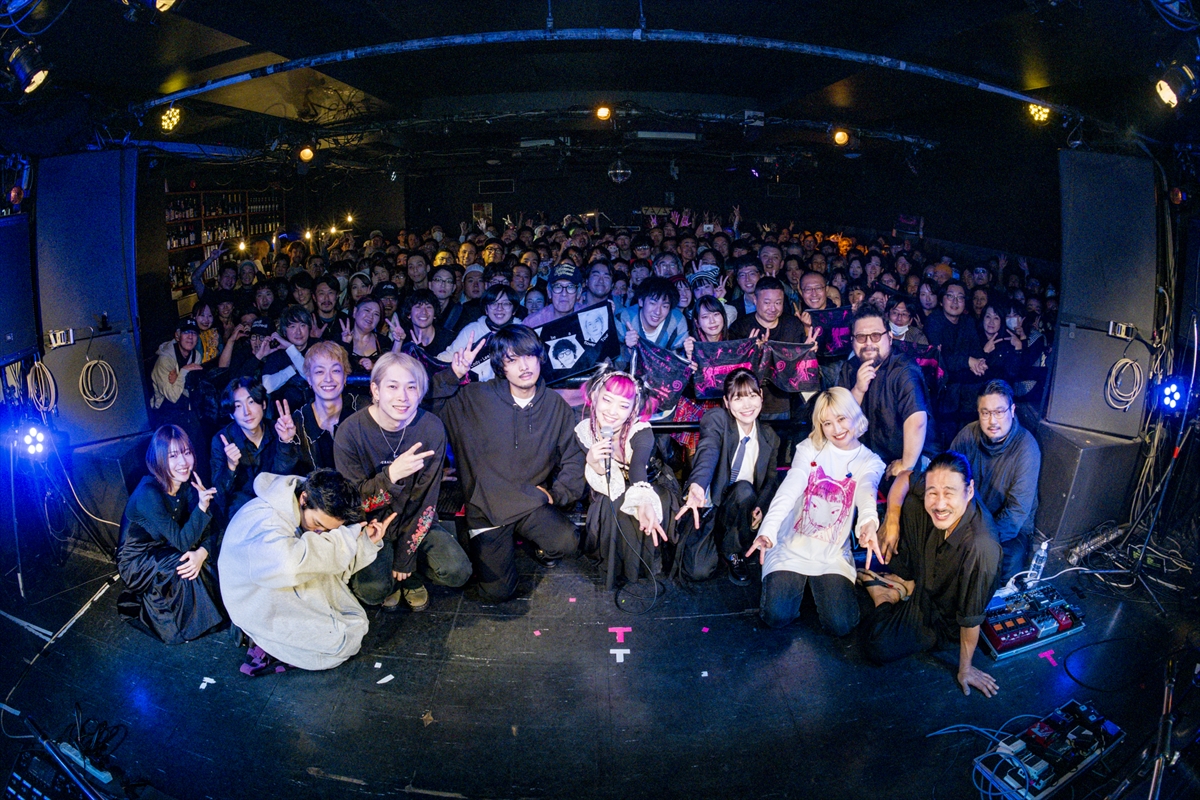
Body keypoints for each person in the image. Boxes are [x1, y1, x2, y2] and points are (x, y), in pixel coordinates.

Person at [428, 325, 585, 601]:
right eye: (512, 359)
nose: (524, 366)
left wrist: (557, 494)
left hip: (528, 500)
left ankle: (532, 543)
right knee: (497, 593)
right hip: (487, 507)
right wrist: (452, 376)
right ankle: (480, 542)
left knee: (567, 540)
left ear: (540, 358)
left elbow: (574, 458)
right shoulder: (475, 397)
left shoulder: (554, 406)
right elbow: (429, 405)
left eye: (529, 356)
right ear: (501, 365)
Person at [334, 352, 471, 612]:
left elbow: (426, 499)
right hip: (371, 526)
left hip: (414, 517)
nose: (403, 397)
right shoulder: (351, 431)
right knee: (373, 592)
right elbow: (356, 501)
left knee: (457, 572)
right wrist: (391, 476)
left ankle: (411, 575)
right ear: (375, 389)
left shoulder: (430, 427)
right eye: (393, 386)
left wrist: (406, 558)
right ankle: (392, 579)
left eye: (412, 387)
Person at [860, 452, 1002, 698]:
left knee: (877, 646)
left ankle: (884, 595)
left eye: (949, 493)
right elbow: (904, 477)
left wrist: (965, 669)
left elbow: (970, 618)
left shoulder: (982, 548)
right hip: (925, 573)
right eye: (933, 492)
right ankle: (907, 584)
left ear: (969, 491)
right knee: (913, 503)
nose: (939, 503)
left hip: (938, 614)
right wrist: (892, 518)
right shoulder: (938, 494)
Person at [218, 469, 388, 673]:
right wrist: (345, 538)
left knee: (350, 629)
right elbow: (291, 566)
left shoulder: (302, 505)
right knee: (338, 645)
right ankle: (265, 643)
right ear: (304, 499)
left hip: (280, 587)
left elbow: (327, 561)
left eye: (328, 530)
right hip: (258, 600)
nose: (320, 533)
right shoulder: (268, 521)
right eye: (317, 524)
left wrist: (364, 542)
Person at [745, 388, 885, 635]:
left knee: (841, 625)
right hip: (791, 546)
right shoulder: (810, 448)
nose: (836, 429)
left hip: (830, 554)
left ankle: (816, 586)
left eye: (841, 419)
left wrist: (869, 523)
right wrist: (768, 529)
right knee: (776, 616)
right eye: (827, 423)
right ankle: (797, 585)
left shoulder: (869, 461)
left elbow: (866, 490)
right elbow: (791, 486)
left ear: (854, 415)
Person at [117, 426, 225, 644]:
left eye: (186, 452)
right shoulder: (149, 493)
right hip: (135, 562)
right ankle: (177, 625)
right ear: (158, 459)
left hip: (161, 547)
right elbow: (184, 542)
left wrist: (202, 552)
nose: (183, 462)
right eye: (172, 456)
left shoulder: (183, 484)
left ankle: (207, 611)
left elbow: (209, 526)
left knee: (200, 553)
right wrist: (202, 508)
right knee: (184, 560)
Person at [675, 368, 781, 585]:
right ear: (726, 401)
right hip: (710, 506)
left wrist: (761, 506)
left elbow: (770, 480)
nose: (747, 405)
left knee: (744, 489)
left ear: (761, 396)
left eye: (752, 396)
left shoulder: (770, 437)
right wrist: (697, 484)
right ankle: (710, 544)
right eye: (738, 398)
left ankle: (733, 552)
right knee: (698, 572)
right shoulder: (717, 420)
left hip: (740, 511)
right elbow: (708, 450)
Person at [576, 371, 680, 586]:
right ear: (595, 396)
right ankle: (615, 568)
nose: (612, 412)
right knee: (611, 502)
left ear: (633, 409)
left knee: (633, 505)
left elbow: (638, 468)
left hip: (652, 482)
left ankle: (643, 568)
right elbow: (603, 481)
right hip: (613, 483)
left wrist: (643, 500)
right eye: (607, 400)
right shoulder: (587, 430)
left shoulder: (640, 431)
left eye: (623, 406)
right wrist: (594, 462)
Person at [942, 380, 1040, 581]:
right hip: (971, 518)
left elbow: (1015, 514)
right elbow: (948, 480)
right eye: (985, 413)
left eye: (999, 412)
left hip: (1009, 529)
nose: (992, 421)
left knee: (1005, 560)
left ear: (1012, 410)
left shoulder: (1026, 448)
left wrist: (975, 540)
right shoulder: (968, 434)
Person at [836, 307, 932, 488]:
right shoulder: (849, 368)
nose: (868, 343)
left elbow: (917, 420)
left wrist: (906, 465)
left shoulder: (904, 370)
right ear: (852, 341)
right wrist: (858, 389)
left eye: (875, 336)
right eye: (861, 337)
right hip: (867, 461)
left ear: (889, 337)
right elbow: (838, 422)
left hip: (907, 459)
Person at [211, 376, 299, 522]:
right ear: (232, 414)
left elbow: (284, 479)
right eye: (238, 406)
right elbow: (219, 497)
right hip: (241, 516)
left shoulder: (278, 430)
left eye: (251, 402)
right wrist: (230, 467)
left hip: (276, 509)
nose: (247, 412)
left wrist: (285, 441)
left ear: (263, 404)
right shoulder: (222, 440)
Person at [729, 276, 808, 420]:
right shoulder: (740, 327)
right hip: (748, 400)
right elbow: (732, 368)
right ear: (755, 300)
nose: (773, 308)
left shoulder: (793, 325)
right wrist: (749, 351)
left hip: (783, 399)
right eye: (767, 302)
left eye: (778, 303)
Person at [279, 341, 359, 475]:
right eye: (320, 372)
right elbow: (281, 477)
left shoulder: (361, 409)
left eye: (335, 371)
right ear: (309, 379)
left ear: (345, 376)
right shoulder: (297, 422)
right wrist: (286, 442)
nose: (328, 378)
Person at [437, 285, 519, 381]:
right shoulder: (472, 330)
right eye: (493, 303)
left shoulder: (523, 334)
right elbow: (449, 357)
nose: (499, 308)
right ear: (486, 309)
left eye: (506, 304)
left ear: (514, 310)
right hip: (475, 390)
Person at [615, 276, 690, 367]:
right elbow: (614, 365)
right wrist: (629, 350)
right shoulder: (623, 318)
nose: (658, 312)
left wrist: (689, 354)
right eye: (652, 303)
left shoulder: (677, 321)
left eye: (665, 306)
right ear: (641, 301)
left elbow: (680, 364)